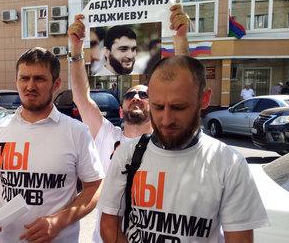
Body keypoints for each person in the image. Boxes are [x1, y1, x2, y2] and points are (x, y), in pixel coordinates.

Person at [98, 55, 269, 242]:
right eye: (157, 106)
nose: (166, 119)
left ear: (204, 99)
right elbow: (109, 224)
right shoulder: (128, 154)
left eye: (178, 107)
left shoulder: (229, 164)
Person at [67, 4, 190, 242]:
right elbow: (81, 97)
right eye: (130, 95)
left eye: (145, 96)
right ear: (121, 110)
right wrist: (75, 48)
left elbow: (184, 91)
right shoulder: (107, 136)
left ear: (155, 108)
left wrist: (180, 40)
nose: (136, 97)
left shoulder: (169, 142)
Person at [0, 47, 104, 242]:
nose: (30, 86)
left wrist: (58, 221)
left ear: (56, 84)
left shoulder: (76, 132)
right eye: (24, 78)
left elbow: (94, 187)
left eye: (39, 79)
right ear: (16, 81)